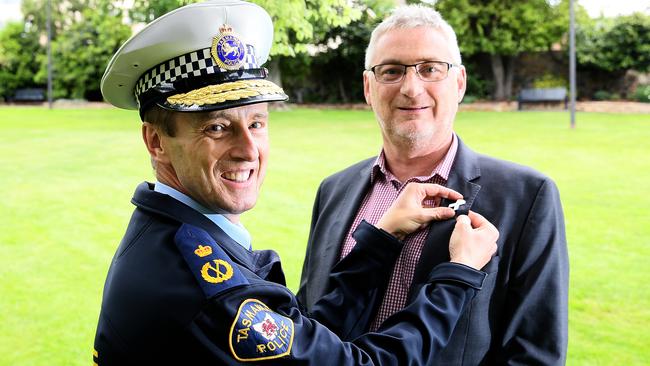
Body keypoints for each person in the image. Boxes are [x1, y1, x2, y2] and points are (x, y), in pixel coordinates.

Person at [93, 1, 499, 365]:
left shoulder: (174, 234)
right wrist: (457, 275)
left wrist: (382, 237)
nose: (248, 149)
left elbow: (307, 334)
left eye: (257, 123)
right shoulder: (205, 284)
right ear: (156, 141)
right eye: (217, 127)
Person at [297, 4, 569, 365]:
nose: (411, 88)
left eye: (430, 69)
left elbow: (535, 354)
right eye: (391, 71)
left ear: (459, 83)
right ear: (368, 87)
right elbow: (310, 322)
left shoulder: (527, 196)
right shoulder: (334, 190)